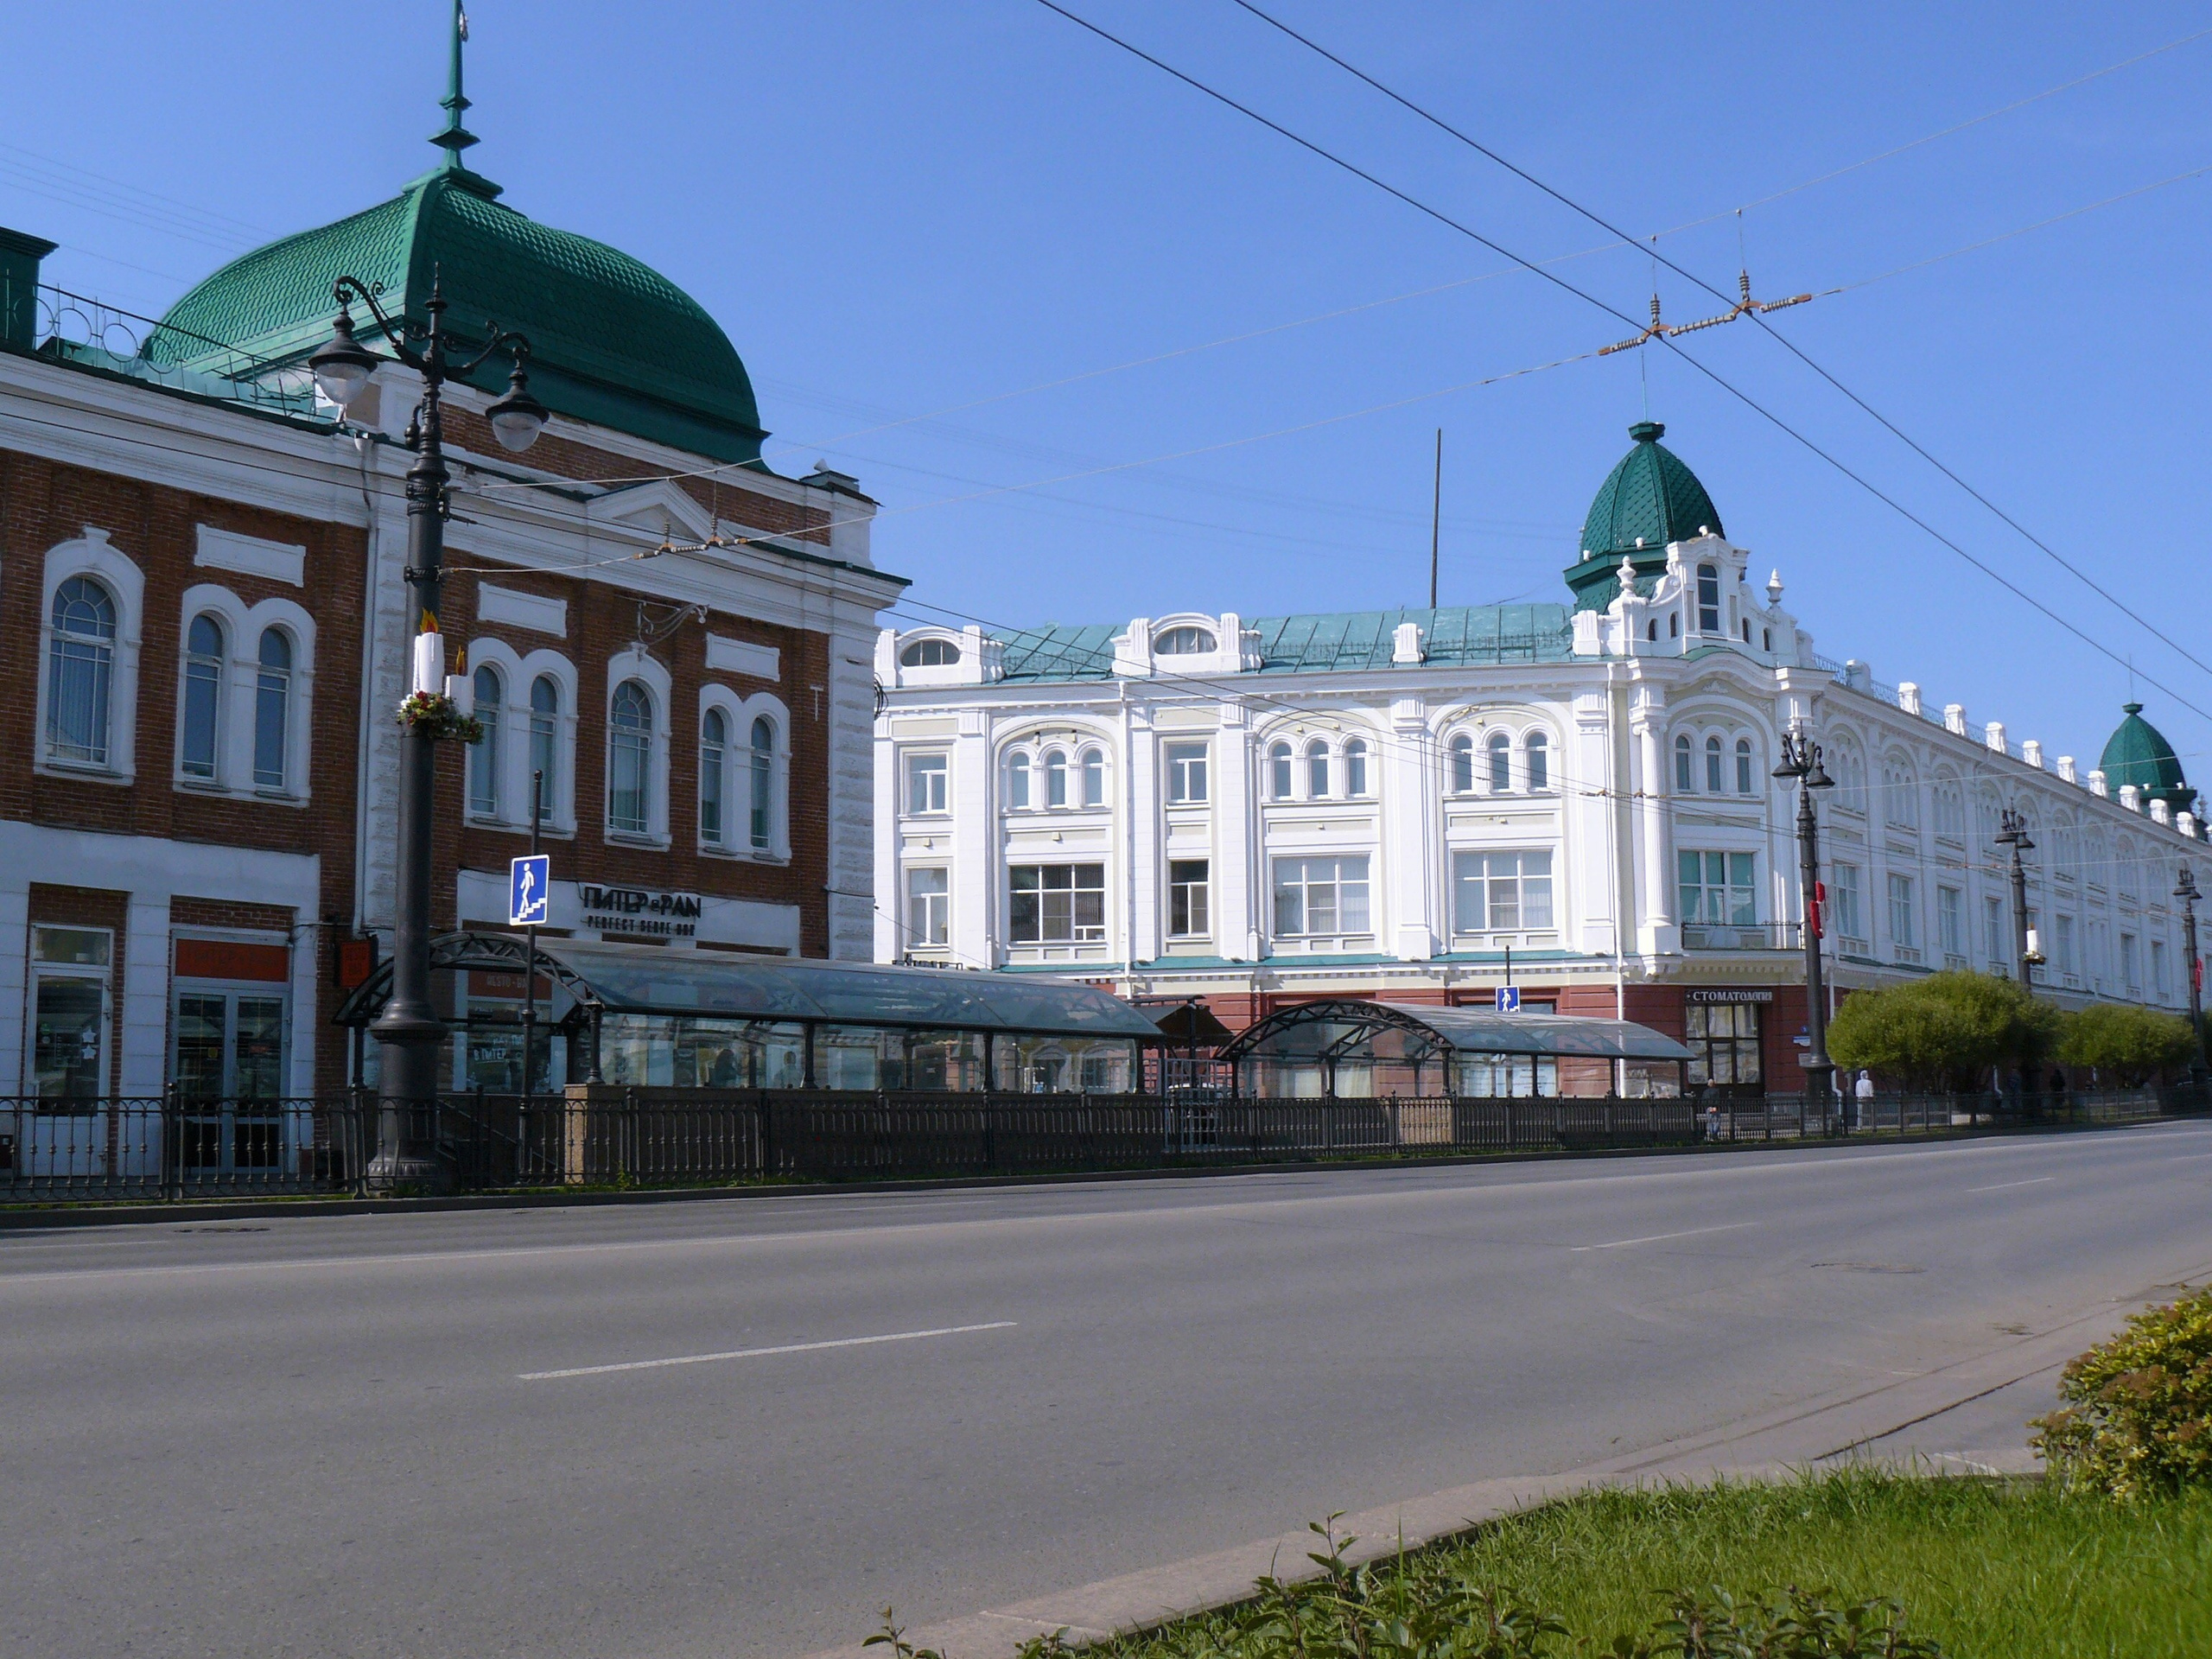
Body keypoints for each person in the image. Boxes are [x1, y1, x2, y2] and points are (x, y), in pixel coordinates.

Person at [1854, 1068, 1875, 1132]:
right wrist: (1872, 1097)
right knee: (1871, 1113)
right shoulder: (1869, 1082)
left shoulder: (1858, 1082)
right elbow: (1871, 1091)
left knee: (1860, 1114)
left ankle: (1859, 1127)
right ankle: (1873, 1126)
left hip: (1860, 1098)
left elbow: (1857, 1091)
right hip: (1868, 1098)